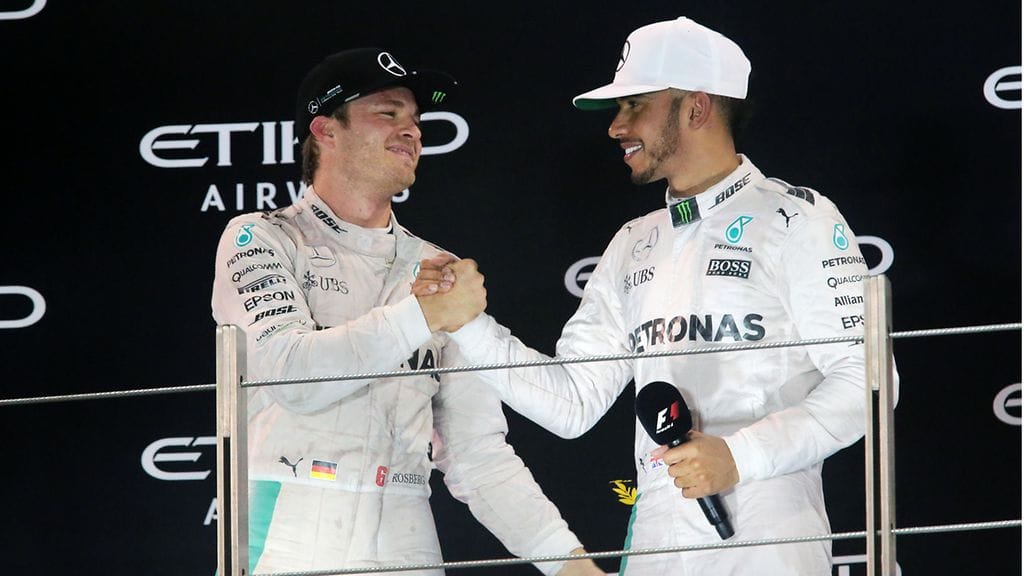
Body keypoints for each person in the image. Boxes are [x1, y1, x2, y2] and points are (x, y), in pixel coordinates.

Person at [418, 17, 893, 575]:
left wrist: (741, 456)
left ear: (696, 108)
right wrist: (469, 324)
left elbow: (870, 383)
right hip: (655, 540)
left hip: (768, 535)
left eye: (634, 105)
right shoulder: (633, 242)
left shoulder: (796, 220)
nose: (616, 127)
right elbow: (572, 403)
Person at [211, 47, 603, 576]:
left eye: (416, 120)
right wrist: (422, 316)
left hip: (406, 530)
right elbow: (291, 376)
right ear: (326, 130)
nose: (412, 131)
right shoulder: (263, 237)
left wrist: (572, 567)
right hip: (287, 523)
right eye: (387, 113)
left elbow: (476, 455)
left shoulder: (438, 269)